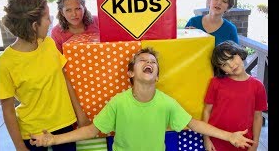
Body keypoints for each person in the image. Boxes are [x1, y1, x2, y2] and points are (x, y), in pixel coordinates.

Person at [29, 47, 255, 151]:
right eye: (142, 61)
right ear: (130, 73)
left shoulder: (166, 102)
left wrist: (229, 136)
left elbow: (194, 124)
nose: (149, 63)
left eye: (153, 63)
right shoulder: (118, 102)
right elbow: (90, 131)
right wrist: (53, 140)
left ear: (157, 76)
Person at [0, 0, 91, 151]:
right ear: (34, 26)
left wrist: (80, 114)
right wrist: (20, 147)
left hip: (65, 124)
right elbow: (7, 110)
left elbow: (64, 78)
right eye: (47, 18)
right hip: (32, 133)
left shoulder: (48, 43)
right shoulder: (5, 63)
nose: (51, 21)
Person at [202, 40, 268, 151]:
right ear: (221, 69)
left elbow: (258, 117)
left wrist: (255, 144)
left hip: (244, 142)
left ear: (239, 53)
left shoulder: (258, 86)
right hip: (216, 141)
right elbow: (207, 111)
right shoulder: (215, 83)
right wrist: (206, 139)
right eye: (224, 64)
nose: (231, 65)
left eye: (231, 58)